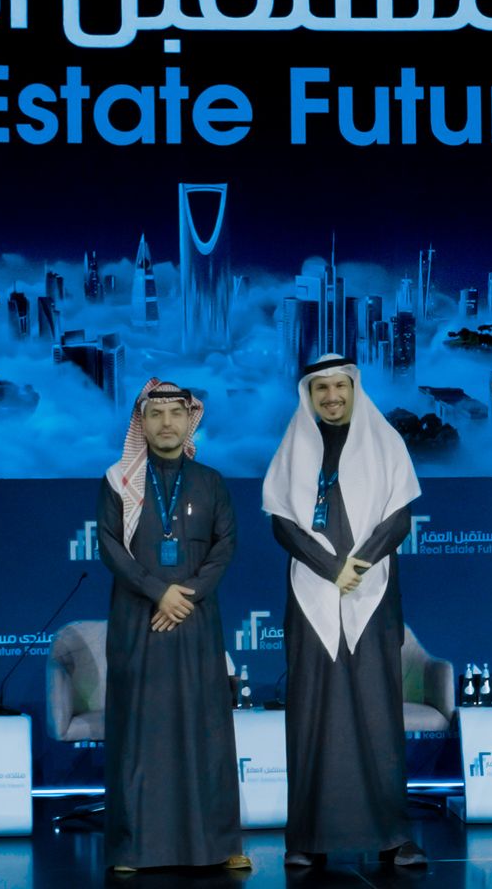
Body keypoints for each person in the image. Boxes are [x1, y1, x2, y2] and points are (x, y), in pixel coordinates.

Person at [263, 354, 426, 868]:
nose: (331, 397)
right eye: (321, 389)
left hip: (372, 593)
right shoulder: (294, 445)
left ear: (355, 388)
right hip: (312, 596)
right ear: (309, 396)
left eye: (340, 387)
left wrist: (359, 565)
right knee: (311, 711)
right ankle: (307, 838)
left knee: (377, 710)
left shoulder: (385, 442)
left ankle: (393, 837)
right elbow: (282, 523)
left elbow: (399, 518)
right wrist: (332, 569)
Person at [96, 379, 250, 873]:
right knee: (140, 733)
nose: (166, 423)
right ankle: (132, 849)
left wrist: (187, 594)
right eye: (156, 414)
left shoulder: (211, 481)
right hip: (138, 621)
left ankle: (219, 845)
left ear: (189, 420)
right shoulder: (118, 481)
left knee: (206, 730)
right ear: (141, 423)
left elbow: (225, 545)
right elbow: (110, 547)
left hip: (195, 622)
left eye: (176, 414)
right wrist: (157, 591)